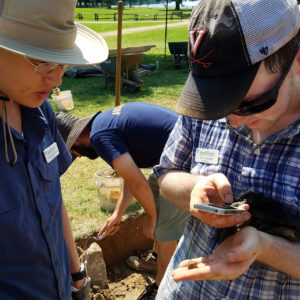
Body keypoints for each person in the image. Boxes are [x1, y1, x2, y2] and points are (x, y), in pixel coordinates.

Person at [153, 0, 300, 299]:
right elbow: (166, 175)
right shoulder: (211, 93)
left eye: (246, 102)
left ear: (297, 60)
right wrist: (194, 190)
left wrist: (265, 247)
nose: (230, 119)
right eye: (215, 105)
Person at [0, 0, 108, 299]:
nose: (57, 78)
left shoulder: (41, 112)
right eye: (40, 59)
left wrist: (76, 273)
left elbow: (53, 197)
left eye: (61, 61)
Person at [56, 101, 190, 299]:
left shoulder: (100, 137)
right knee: (155, 197)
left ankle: (163, 289)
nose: (81, 157)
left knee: (164, 228)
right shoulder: (103, 124)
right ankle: (155, 258)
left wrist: (152, 219)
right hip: (173, 156)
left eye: (76, 154)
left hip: (186, 158)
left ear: (76, 143)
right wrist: (118, 213)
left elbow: (138, 185)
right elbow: (132, 176)